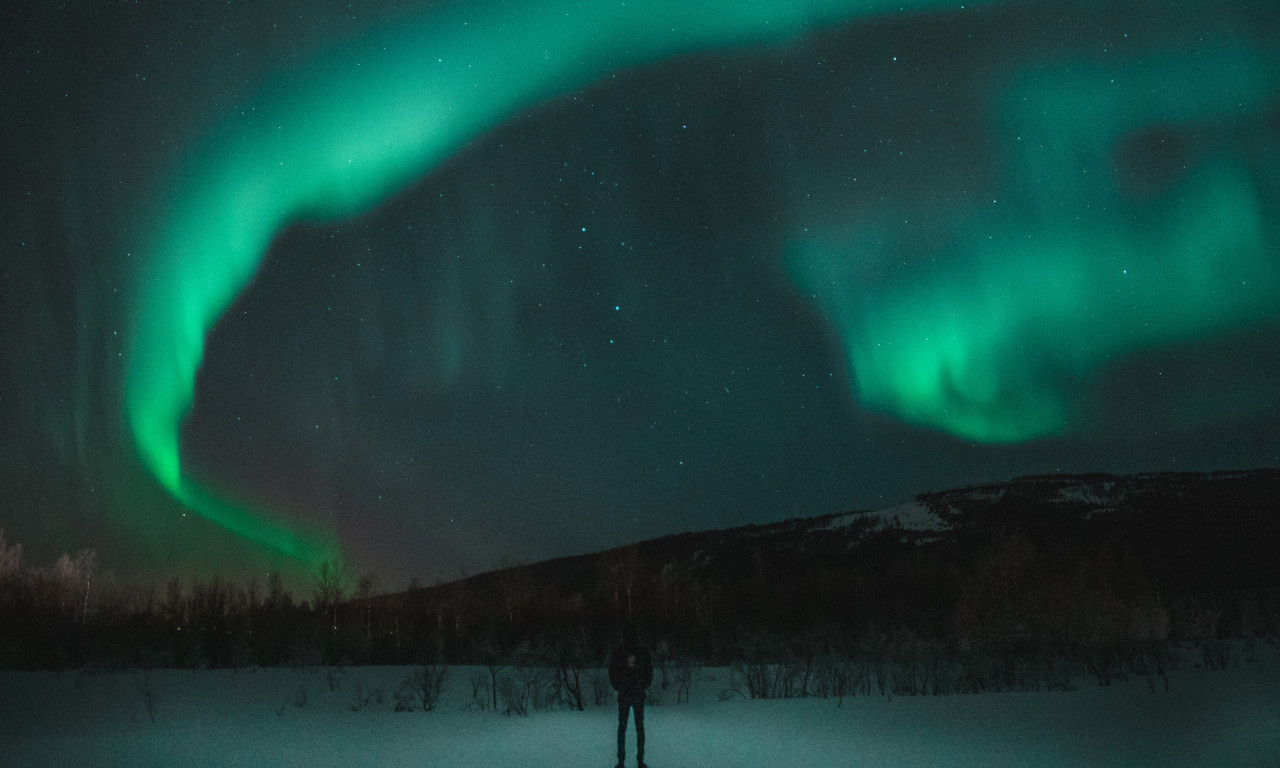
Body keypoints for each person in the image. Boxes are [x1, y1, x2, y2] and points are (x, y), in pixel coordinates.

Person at [608, 623, 653, 768]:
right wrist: (642, 685)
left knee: (623, 727)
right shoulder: (642, 652)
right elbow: (649, 673)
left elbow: (612, 672)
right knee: (637, 727)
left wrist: (619, 686)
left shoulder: (619, 652)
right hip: (635, 694)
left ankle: (622, 762)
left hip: (626, 694)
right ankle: (639, 761)